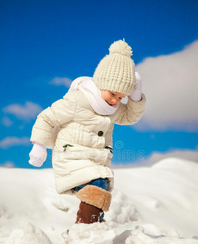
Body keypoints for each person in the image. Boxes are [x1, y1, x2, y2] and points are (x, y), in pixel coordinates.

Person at [29, 39, 146, 224]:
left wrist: (136, 96)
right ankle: (84, 229)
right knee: (99, 184)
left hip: (95, 162)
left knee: (103, 186)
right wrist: (39, 146)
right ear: (101, 84)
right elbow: (46, 118)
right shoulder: (78, 100)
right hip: (72, 157)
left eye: (121, 97)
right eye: (113, 94)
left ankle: (93, 225)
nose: (116, 101)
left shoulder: (113, 110)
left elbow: (131, 116)